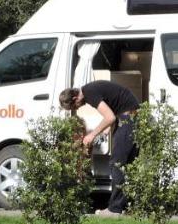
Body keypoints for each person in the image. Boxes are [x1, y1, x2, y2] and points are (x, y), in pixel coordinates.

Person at [59, 80, 141, 216]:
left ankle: (114, 209)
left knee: (117, 164)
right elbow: (113, 107)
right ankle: (126, 206)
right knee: (127, 164)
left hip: (128, 119)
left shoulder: (89, 93)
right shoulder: (90, 89)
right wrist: (108, 126)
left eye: (75, 107)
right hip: (131, 117)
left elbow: (109, 117)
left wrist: (92, 134)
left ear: (75, 98)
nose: (77, 109)